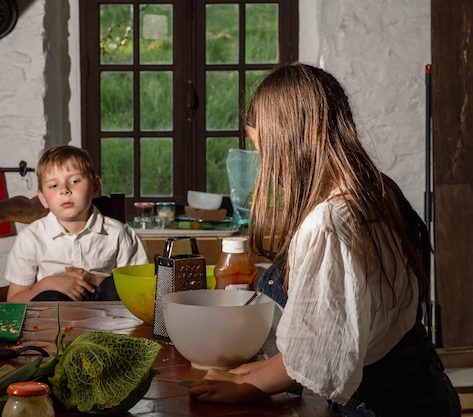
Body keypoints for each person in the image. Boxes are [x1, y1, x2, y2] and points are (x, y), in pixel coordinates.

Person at [189, 63, 461, 417]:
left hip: (382, 403)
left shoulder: (328, 223)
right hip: (426, 389)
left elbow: (319, 355)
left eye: (264, 150)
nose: (264, 166)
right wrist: (250, 372)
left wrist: (244, 387)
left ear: (291, 142)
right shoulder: (375, 189)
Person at [5, 145, 149, 302]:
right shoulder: (30, 238)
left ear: (95, 187)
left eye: (74, 181)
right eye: (54, 185)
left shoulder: (119, 233)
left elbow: (141, 291)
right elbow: (14, 300)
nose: (64, 190)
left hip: (107, 318)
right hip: (54, 321)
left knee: (117, 284)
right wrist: (46, 284)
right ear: (43, 198)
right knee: (50, 296)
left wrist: (94, 281)